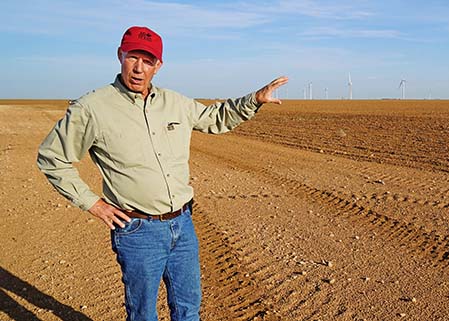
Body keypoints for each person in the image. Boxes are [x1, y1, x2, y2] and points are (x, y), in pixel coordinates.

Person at [37, 25, 288, 321]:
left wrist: (254, 100)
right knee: (142, 314)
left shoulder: (175, 103)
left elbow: (216, 118)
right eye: (133, 58)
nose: (139, 68)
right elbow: (52, 157)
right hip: (138, 231)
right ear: (120, 56)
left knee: (188, 309)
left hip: (182, 225)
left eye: (148, 61)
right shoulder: (92, 108)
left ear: (159, 66)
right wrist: (92, 202)